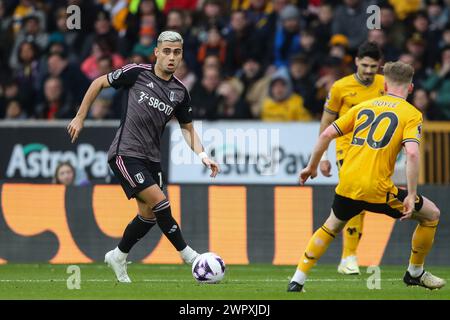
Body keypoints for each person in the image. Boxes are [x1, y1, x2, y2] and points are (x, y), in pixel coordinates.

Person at [67, 31, 220, 283]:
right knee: (161, 201)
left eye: (177, 52)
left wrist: (203, 155)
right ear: (157, 52)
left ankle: (118, 255)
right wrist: (80, 116)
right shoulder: (137, 72)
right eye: (167, 51)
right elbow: (98, 83)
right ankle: (189, 256)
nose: (172, 57)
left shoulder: (180, 92)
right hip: (125, 153)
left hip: (152, 158)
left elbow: (187, 129)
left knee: (149, 216)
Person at [288, 61, 445, 292]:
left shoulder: (363, 106)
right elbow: (412, 153)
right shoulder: (412, 114)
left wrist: (311, 167)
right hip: (377, 188)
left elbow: (327, 134)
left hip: (348, 182)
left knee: (331, 225)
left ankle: (297, 279)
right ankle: (415, 273)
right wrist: (411, 194)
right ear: (410, 88)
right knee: (431, 214)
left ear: (384, 85)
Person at [319, 42, 385, 275]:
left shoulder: (384, 84)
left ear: (380, 65)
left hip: (375, 151)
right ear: (356, 61)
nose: (369, 71)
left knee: (363, 201)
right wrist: (323, 156)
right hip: (347, 150)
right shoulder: (340, 87)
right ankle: (349, 257)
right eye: (365, 65)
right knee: (357, 198)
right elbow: (327, 123)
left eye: (373, 66)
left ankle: (348, 256)